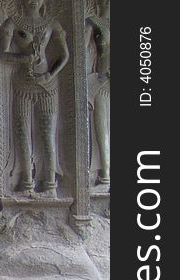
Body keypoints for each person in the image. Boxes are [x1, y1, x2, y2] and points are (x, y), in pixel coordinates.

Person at [0, 0, 69, 197]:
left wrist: (49, 75)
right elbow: (2, 55)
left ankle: (50, 185)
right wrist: (24, 59)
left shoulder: (52, 23)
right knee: (22, 132)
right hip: (23, 83)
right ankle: (27, 182)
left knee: (47, 134)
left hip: (47, 84)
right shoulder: (12, 22)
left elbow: (64, 55)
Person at [86, 0, 110, 186]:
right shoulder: (92, 22)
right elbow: (84, 52)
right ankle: (105, 174)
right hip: (101, 80)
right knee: (101, 128)